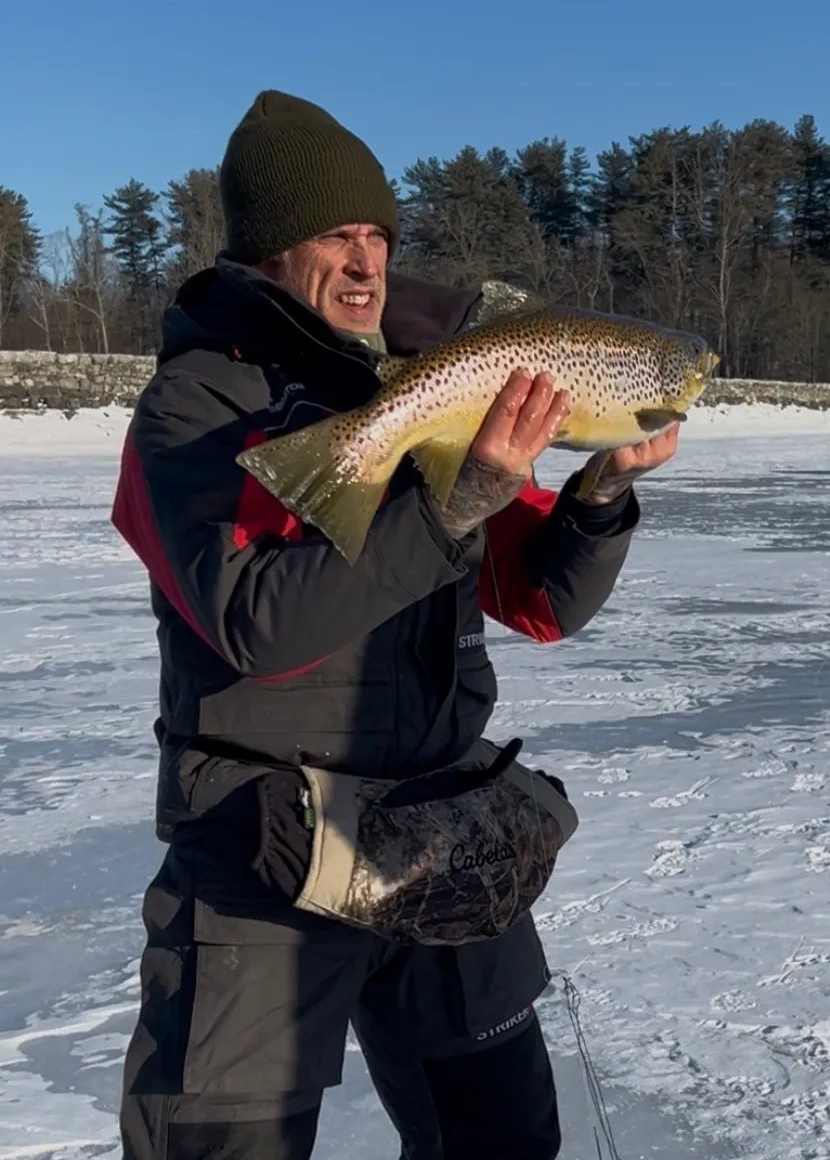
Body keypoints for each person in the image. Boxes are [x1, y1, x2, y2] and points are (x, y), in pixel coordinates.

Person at [109, 89, 680, 1160]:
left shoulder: (428, 395)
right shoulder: (194, 409)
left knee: (504, 1142)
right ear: (266, 253)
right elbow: (255, 626)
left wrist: (599, 496)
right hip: (266, 850)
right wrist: (450, 505)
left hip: (441, 834)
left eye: (379, 234)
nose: (368, 261)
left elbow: (543, 600)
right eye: (335, 235)